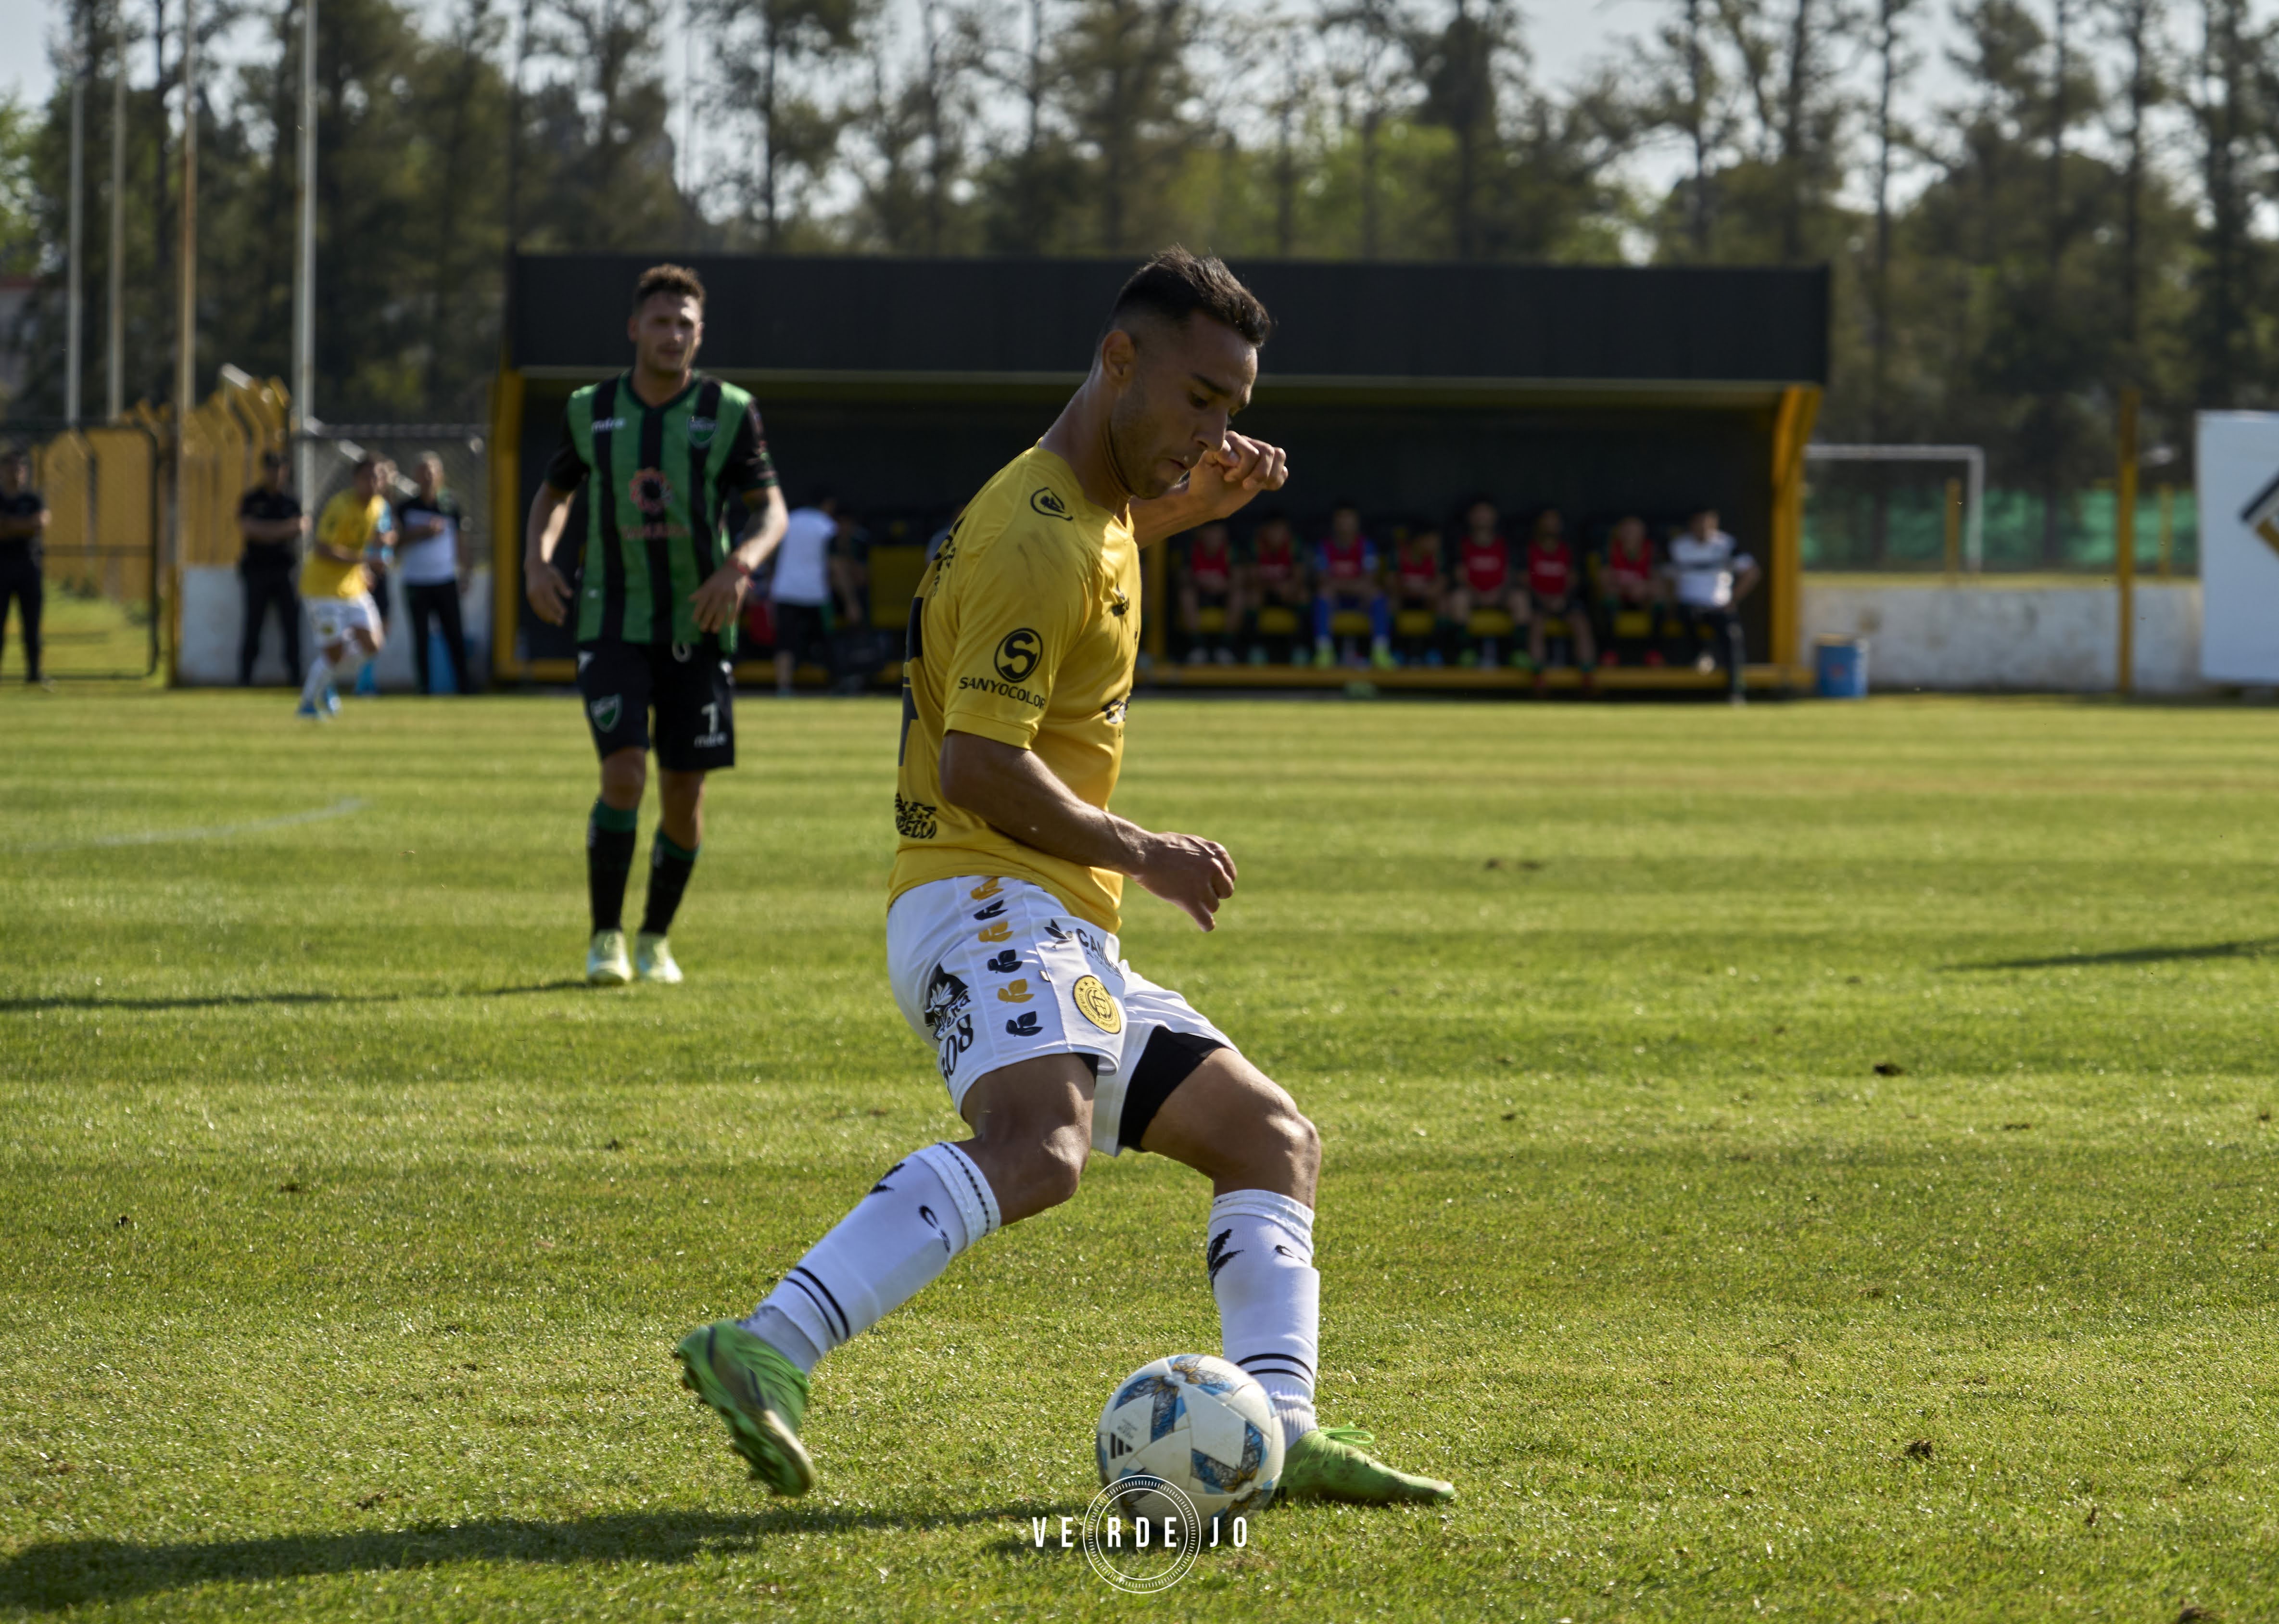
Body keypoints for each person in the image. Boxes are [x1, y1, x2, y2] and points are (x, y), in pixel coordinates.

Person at [672, 246, 1453, 1511]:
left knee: (1269, 1139)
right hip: (987, 893)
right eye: (1198, 398)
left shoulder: (1081, 511)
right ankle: (767, 1343)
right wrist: (1143, 848)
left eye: (1235, 411)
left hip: (1051, 920)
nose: (1214, 429)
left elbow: (1110, 537)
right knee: (1040, 1148)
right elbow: (983, 764)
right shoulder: (1035, 537)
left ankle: (1282, 1430)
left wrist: (1191, 506)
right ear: (1120, 359)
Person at [524, 263, 790, 987]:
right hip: (611, 619)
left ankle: (654, 939)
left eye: (686, 325)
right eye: (662, 321)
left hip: (699, 626)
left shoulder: (729, 410)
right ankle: (604, 937)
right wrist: (537, 561)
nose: (674, 335)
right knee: (623, 774)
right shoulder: (590, 408)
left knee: (684, 794)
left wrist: (740, 565)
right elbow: (553, 492)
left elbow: (771, 510)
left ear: (699, 335)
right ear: (634, 327)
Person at [296, 455, 389, 718]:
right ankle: (307, 705)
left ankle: (326, 678)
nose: (373, 483)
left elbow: (367, 541)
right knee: (333, 654)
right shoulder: (340, 506)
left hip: (353, 588)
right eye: (367, 478)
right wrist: (363, 560)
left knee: (373, 646)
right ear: (356, 480)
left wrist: (364, 568)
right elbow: (323, 548)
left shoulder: (379, 507)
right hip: (322, 590)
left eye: (378, 477)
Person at [1668, 505, 1760, 704]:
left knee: (1732, 635)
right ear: (1692, 524)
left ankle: (1736, 690)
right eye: (1700, 522)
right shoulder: (1678, 546)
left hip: (1718, 606)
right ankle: (1701, 656)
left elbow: (1752, 572)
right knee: (1683, 617)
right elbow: (1662, 576)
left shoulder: (1726, 544)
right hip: (1688, 606)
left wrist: (1733, 600)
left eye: (1709, 521)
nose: (1704, 527)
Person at [397, 453, 471, 695]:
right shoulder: (406, 508)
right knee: (421, 638)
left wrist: (466, 572)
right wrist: (420, 533)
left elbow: (461, 541)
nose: (428, 476)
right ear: (416, 475)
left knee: (454, 635)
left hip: (445, 579)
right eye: (423, 471)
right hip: (416, 581)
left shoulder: (450, 505)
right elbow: (394, 543)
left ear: (440, 475)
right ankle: (424, 688)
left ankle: (465, 687)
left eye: (433, 471)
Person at [236, 450, 306, 686]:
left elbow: (300, 527)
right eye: (271, 468)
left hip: (286, 570)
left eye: (280, 468)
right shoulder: (252, 498)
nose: (275, 473)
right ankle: (245, 677)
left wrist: (265, 531)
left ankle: (295, 676)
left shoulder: (292, 499)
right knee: (253, 624)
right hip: (257, 570)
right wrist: (281, 531)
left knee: (291, 626)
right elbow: (248, 528)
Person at [770, 491, 839, 696]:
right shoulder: (827, 524)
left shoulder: (787, 520)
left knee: (785, 641)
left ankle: (784, 687)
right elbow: (832, 561)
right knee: (826, 638)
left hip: (785, 590)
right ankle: (836, 683)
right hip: (816, 592)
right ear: (825, 504)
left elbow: (773, 556)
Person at [1312, 499, 1391, 669]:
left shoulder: (1366, 546)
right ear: (1334, 523)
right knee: (1323, 594)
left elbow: (1370, 579)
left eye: (1349, 520)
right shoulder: (1325, 547)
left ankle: (1380, 650)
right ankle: (1324, 651)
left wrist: (1341, 585)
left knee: (1377, 594)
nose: (1345, 525)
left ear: (1356, 523)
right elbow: (1323, 579)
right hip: (1336, 601)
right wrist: (1351, 585)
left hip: (1359, 600)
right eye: (1341, 520)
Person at [1448, 497, 1525, 668]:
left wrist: (1497, 594)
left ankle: (1518, 652)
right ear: (1469, 517)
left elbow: (1509, 575)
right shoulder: (1462, 544)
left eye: (1486, 512)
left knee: (1520, 598)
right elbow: (1460, 576)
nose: (1482, 517)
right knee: (1458, 598)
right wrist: (1479, 594)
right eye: (1478, 513)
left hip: (1500, 595)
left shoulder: (1504, 544)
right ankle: (1466, 652)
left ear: (1495, 516)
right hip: (1473, 595)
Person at [1523, 507, 1595, 691]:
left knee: (1580, 622)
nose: (1551, 526)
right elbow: (1524, 580)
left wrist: (1561, 599)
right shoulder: (1529, 549)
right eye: (1547, 521)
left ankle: (1587, 675)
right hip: (1539, 601)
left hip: (1564, 601)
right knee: (1536, 623)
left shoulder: (1568, 550)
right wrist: (1544, 600)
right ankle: (1538, 676)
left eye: (1555, 521)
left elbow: (1574, 580)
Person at [0, 449, 50, 688]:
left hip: (29, 568)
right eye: (11, 467)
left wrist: (9, 524)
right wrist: (24, 525)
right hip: (2, 568)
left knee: (32, 624)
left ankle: (34, 673)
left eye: (20, 467)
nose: (15, 472)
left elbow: (40, 524)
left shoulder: (33, 499)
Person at [1597, 513, 1664, 667]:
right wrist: (1627, 588)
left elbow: (1659, 582)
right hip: (1619, 598)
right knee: (1609, 597)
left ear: (1643, 533)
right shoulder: (1609, 549)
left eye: (1634, 531)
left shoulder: (1652, 551)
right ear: (1619, 532)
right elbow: (1603, 580)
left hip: (1642, 600)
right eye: (1626, 530)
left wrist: (1644, 587)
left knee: (1659, 598)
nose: (1630, 535)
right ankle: (1610, 652)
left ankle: (1654, 652)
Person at [1242, 511, 1307, 664]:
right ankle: (1255, 647)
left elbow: (1299, 577)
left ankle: (1300, 647)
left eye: (1280, 530)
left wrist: (1288, 587)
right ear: (1264, 531)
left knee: (1303, 595)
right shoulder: (1256, 545)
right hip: (1264, 593)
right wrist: (1273, 586)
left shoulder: (1293, 545)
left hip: (1287, 594)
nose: (1276, 534)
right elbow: (1252, 578)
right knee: (1252, 597)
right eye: (1272, 529)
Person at [1177, 519, 1242, 664]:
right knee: (1186, 595)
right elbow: (1182, 577)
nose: (1214, 537)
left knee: (1238, 596)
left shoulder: (1230, 551)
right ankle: (1197, 647)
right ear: (1201, 534)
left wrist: (1223, 585)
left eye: (1218, 533)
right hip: (1200, 596)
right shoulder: (1192, 550)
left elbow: (1239, 579)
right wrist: (1200, 581)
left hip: (1222, 597)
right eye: (1210, 533)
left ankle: (1226, 647)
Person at [1388, 521, 1447, 666]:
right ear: (1420, 540)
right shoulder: (1399, 554)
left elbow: (1441, 584)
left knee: (1442, 603)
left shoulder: (1437, 558)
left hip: (1425, 602)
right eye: (1433, 541)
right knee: (1390, 602)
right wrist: (1407, 590)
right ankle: (1397, 650)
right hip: (1404, 601)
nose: (1436, 545)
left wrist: (1421, 591)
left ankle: (1434, 650)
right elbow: (1389, 582)